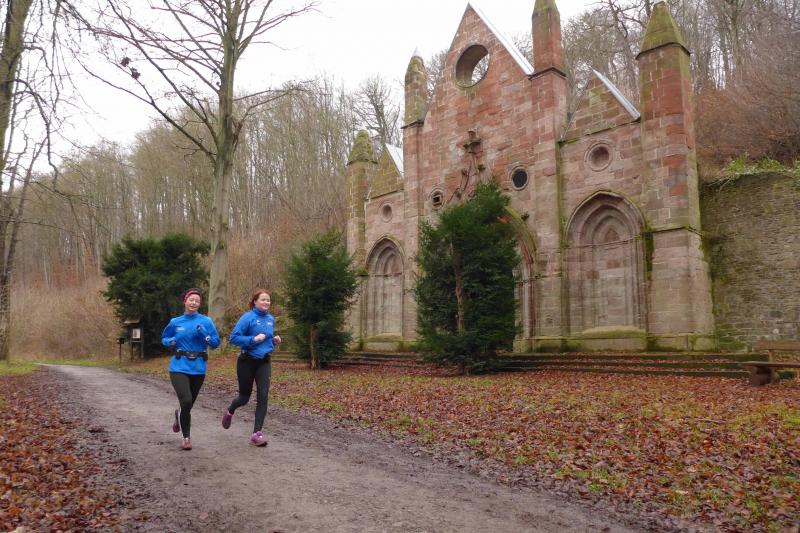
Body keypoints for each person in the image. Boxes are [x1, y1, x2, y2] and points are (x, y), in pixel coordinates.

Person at [161, 288, 220, 450]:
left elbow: (216, 343)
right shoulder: (175, 322)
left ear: (200, 304)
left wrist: (206, 335)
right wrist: (171, 341)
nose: (194, 303)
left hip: (199, 367)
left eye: (197, 301)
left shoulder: (206, 321)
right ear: (185, 301)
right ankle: (186, 438)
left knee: (188, 405)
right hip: (179, 366)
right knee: (186, 400)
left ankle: (179, 414)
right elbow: (164, 338)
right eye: (191, 300)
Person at [222, 288, 281, 446]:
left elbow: (266, 340)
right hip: (246, 361)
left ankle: (256, 434)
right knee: (244, 397)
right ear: (255, 301)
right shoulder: (247, 318)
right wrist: (253, 340)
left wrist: (274, 340)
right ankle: (230, 410)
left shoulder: (270, 319)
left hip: (264, 362)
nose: (266, 302)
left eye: (268, 300)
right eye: (263, 299)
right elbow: (234, 338)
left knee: (263, 395)